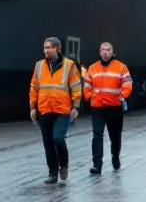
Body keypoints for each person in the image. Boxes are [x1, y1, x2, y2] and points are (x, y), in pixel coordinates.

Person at [29, 37, 82, 185]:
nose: (46, 50)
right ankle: (52, 173)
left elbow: (76, 86)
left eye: (49, 47)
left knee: (58, 138)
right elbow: (34, 87)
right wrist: (32, 107)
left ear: (57, 49)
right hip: (44, 109)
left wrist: (76, 106)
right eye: (45, 47)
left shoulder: (69, 65)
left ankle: (63, 165)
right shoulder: (39, 66)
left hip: (62, 110)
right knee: (48, 142)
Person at [83, 41, 132, 174]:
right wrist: (89, 97)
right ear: (100, 52)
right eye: (103, 50)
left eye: (108, 50)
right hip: (97, 107)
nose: (106, 52)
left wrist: (122, 96)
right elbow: (87, 85)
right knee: (97, 134)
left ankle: (115, 156)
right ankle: (97, 165)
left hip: (114, 107)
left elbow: (127, 83)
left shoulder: (121, 67)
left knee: (115, 136)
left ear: (112, 52)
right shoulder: (92, 68)